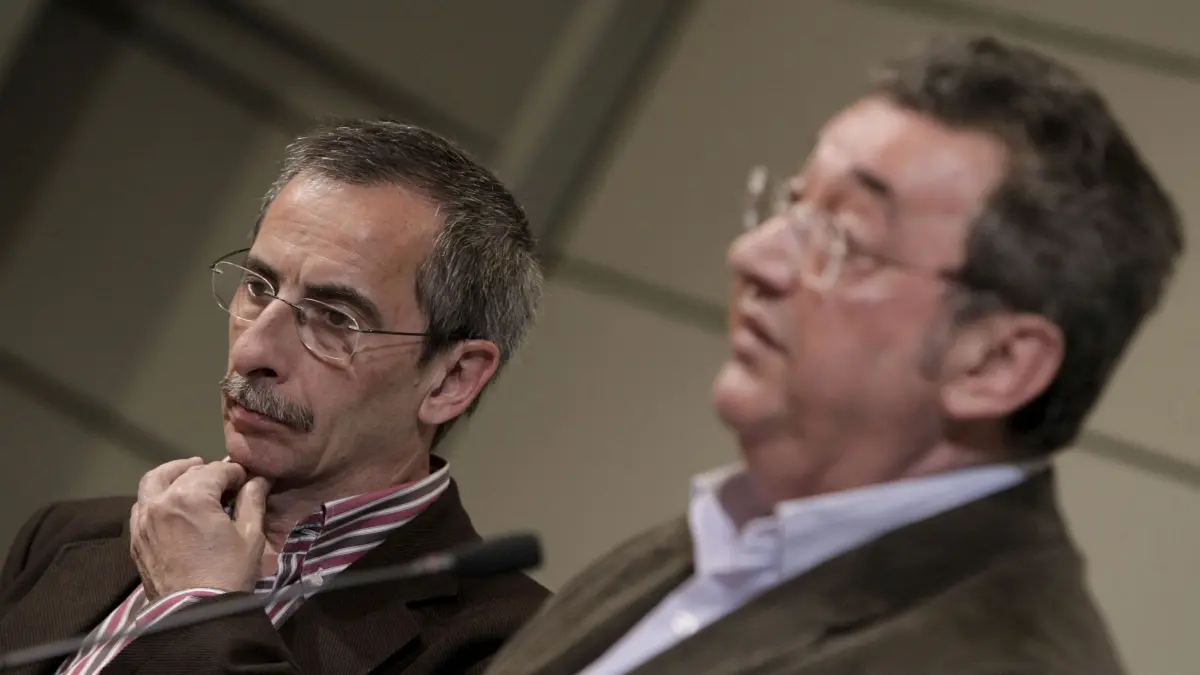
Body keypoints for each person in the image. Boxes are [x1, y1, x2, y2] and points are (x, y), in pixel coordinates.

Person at [484, 34, 1184, 675]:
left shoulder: (998, 659)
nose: (752, 256)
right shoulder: (715, 538)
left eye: (842, 237)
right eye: (792, 207)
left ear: (994, 365)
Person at [0, 119, 549, 674]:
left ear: (452, 379)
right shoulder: (66, 538)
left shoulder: (510, 650)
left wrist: (199, 609)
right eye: (258, 288)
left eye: (335, 318)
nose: (252, 350)